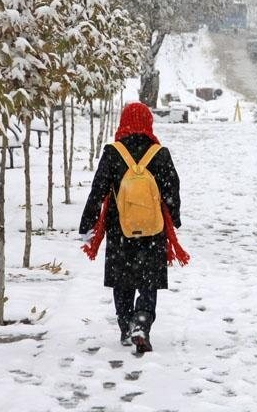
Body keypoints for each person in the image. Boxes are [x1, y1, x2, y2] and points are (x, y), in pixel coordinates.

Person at [79, 102, 189, 354]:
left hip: (120, 229)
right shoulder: (160, 153)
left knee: (123, 279)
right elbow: (172, 190)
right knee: (148, 279)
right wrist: (174, 219)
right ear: (148, 122)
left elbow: (98, 191)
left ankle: (126, 323)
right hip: (153, 229)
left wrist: (88, 225)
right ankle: (142, 322)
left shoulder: (113, 152)